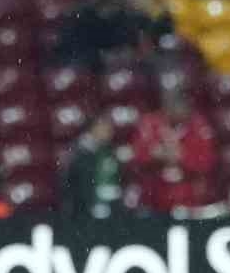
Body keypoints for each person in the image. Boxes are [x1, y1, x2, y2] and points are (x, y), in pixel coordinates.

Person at [129, 85, 216, 214]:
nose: (175, 109)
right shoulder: (149, 123)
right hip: (153, 197)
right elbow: (137, 155)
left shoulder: (199, 126)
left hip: (188, 196)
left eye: (179, 105)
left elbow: (206, 162)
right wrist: (155, 154)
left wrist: (182, 156)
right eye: (170, 104)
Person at [61, 117, 122, 219]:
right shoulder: (79, 151)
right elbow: (76, 183)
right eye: (105, 129)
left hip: (106, 204)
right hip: (82, 207)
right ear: (93, 129)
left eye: (110, 130)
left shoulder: (109, 150)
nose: (109, 133)